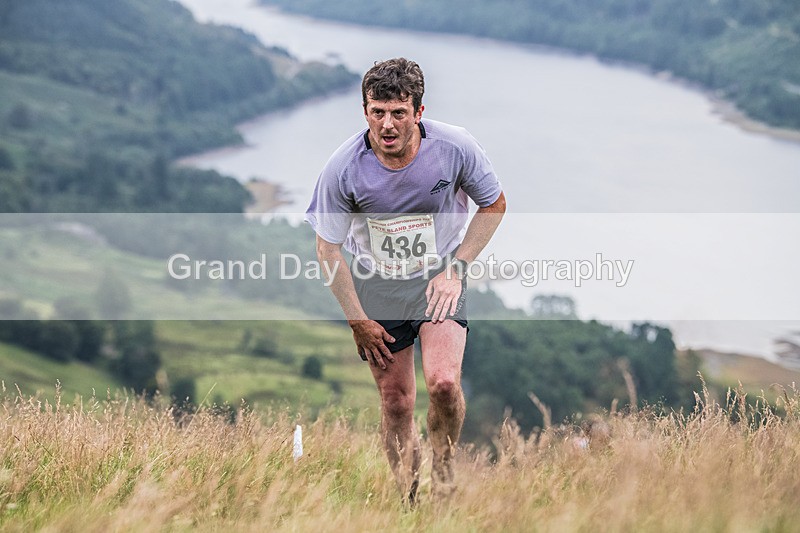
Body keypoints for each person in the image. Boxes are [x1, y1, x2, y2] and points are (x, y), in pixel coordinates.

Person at [305, 57, 506, 504]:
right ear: (365, 111)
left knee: (444, 384)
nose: (387, 125)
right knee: (396, 402)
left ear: (418, 111)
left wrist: (457, 268)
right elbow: (327, 250)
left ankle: (445, 472)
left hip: (439, 276)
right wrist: (357, 320)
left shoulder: (455, 146)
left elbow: (494, 205)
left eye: (398, 112)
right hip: (377, 283)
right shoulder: (343, 168)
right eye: (377, 112)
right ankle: (407, 502)